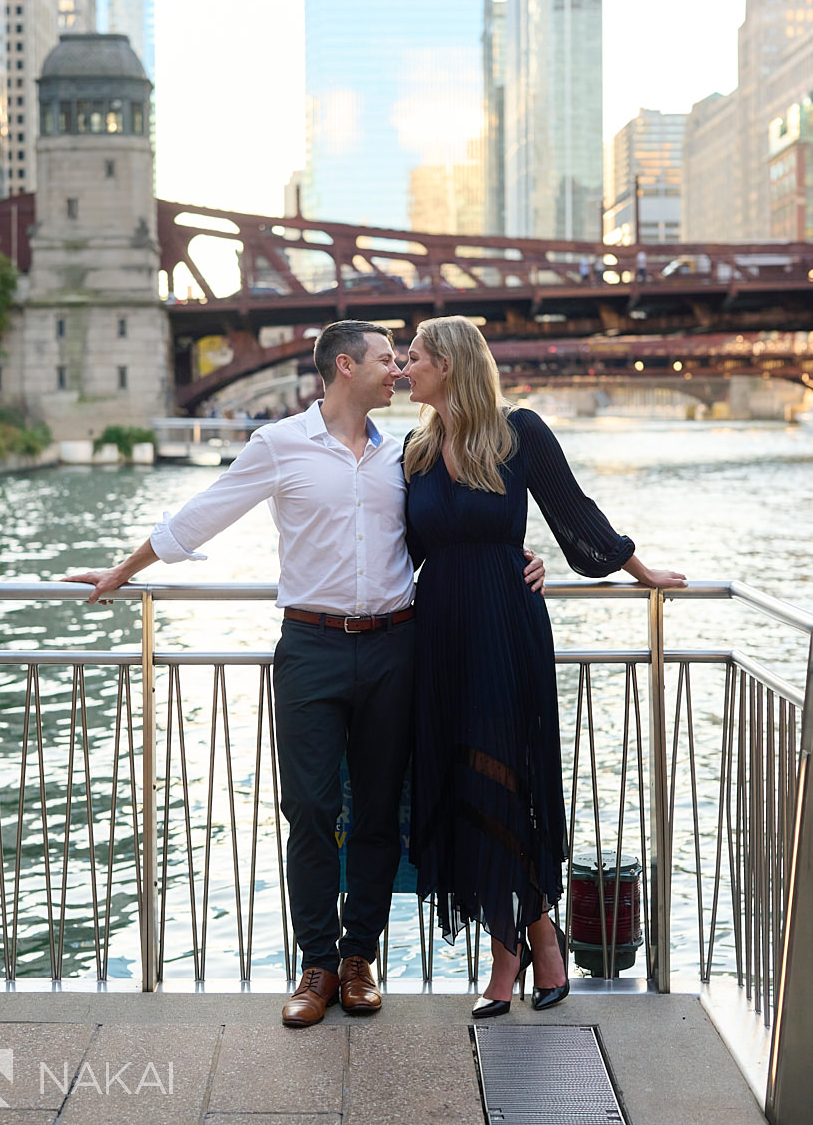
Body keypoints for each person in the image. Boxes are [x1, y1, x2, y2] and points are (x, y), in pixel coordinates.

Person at [60, 317, 546, 1026]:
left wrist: (518, 563)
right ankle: (316, 964)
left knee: (379, 813)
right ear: (346, 367)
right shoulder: (279, 443)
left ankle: (359, 962)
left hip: (396, 646)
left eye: (404, 360)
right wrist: (122, 570)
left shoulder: (406, 454)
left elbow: (456, 526)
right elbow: (201, 516)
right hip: (310, 647)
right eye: (388, 359)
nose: (400, 370)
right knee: (310, 809)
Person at [401, 315, 686, 1018]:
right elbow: (392, 546)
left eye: (416, 356)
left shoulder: (519, 431)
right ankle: (533, 938)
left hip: (505, 625)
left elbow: (572, 513)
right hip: (438, 634)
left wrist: (639, 569)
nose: (405, 366)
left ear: (450, 364)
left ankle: (515, 957)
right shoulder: (414, 448)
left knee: (507, 778)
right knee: (463, 783)